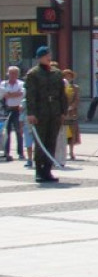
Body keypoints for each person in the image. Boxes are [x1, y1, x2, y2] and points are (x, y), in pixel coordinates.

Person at [23, 46, 67, 183]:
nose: (49, 57)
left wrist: (63, 111)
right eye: (46, 55)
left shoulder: (57, 73)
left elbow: (62, 94)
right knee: (40, 142)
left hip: (54, 111)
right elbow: (30, 96)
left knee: (51, 141)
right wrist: (31, 113)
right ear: (40, 57)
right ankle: (39, 171)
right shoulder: (33, 74)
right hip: (40, 112)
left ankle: (48, 170)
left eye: (49, 54)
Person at [2, 66, 25, 161]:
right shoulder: (4, 83)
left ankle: (20, 153)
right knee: (6, 132)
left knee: (19, 131)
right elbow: (3, 95)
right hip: (7, 109)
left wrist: (9, 94)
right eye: (11, 73)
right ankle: (7, 153)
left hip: (18, 109)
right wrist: (14, 94)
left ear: (18, 74)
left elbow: (22, 94)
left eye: (15, 73)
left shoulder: (21, 83)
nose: (13, 75)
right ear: (8, 74)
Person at [61, 70, 81, 161]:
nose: (67, 78)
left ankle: (71, 152)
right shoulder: (60, 87)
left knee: (72, 133)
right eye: (65, 76)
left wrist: (71, 107)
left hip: (71, 113)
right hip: (62, 114)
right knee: (62, 134)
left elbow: (77, 100)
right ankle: (62, 152)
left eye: (69, 76)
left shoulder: (75, 87)